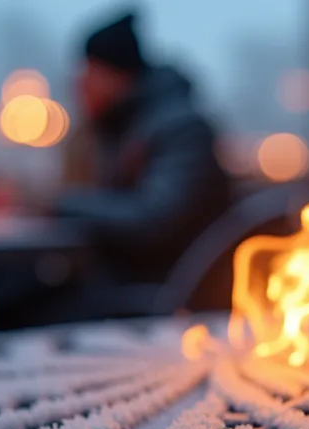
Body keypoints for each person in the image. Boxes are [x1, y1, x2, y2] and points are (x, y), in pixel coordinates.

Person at [54, 11, 232, 283]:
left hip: (164, 283)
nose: (81, 85)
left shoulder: (181, 128)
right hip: (124, 272)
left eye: (91, 72)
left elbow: (158, 220)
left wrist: (66, 205)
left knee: (22, 305)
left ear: (118, 75)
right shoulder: (115, 127)